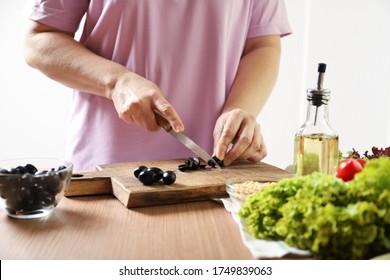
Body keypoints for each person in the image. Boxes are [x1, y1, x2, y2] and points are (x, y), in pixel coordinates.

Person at [23, 0, 292, 170]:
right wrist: (117, 82)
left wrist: (241, 108)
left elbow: (262, 46)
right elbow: (39, 40)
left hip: (215, 168)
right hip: (103, 169)